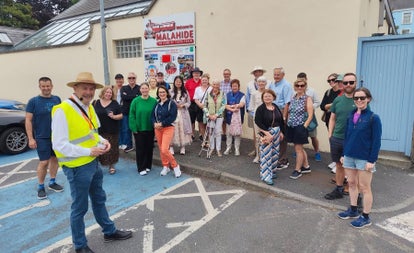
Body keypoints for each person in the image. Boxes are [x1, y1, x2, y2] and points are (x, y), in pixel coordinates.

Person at [51, 72, 132, 253]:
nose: (88, 92)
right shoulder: (63, 110)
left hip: (92, 162)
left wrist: (102, 141)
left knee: (99, 199)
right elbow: (59, 144)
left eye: (91, 89)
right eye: (84, 88)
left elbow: (91, 133)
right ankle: (80, 246)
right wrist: (89, 150)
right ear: (75, 88)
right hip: (76, 167)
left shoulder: (88, 107)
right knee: (79, 208)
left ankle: (109, 231)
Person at [337, 87, 381, 228]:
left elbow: (376, 141)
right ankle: (353, 210)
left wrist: (371, 160)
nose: (359, 100)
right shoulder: (351, 115)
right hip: (349, 156)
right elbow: (347, 137)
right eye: (356, 98)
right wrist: (344, 154)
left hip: (364, 158)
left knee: (364, 187)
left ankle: (366, 217)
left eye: (362, 98)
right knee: (351, 184)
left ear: (368, 99)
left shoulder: (373, 118)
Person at [25, 76, 63, 200]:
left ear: (52, 86)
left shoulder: (57, 99)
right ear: (40, 87)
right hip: (42, 137)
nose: (46, 88)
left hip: (56, 136)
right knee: (44, 162)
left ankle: (52, 182)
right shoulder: (33, 101)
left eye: (48, 86)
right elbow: (28, 120)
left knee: (55, 159)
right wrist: (31, 138)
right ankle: (41, 186)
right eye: (43, 86)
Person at [325, 73, 358, 200]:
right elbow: (332, 118)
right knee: (339, 165)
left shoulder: (359, 99)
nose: (348, 85)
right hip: (337, 138)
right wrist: (330, 135)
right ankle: (338, 189)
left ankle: (352, 190)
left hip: (353, 140)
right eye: (346, 83)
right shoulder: (338, 100)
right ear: (342, 84)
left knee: (351, 166)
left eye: (351, 82)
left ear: (355, 83)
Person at [284, 78, 313, 180]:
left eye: (302, 86)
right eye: (297, 86)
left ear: (305, 87)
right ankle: (306, 166)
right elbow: (289, 111)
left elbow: (310, 115)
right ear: (295, 87)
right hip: (291, 126)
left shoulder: (307, 99)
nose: (300, 87)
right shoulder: (293, 98)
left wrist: (304, 126)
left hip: (300, 126)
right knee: (299, 147)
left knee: (298, 149)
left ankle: (298, 170)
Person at [255, 89, 285, 185]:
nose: (267, 98)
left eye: (269, 96)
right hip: (265, 132)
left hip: (276, 132)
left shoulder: (275, 106)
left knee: (274, 153)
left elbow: (280, 120)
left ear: (273, 97)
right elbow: (258, 121)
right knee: (266, 154)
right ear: (263, 98)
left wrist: (281, 132)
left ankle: (272, 171)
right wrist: (267, 133)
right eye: (265, 96)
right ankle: (266, 176)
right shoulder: (260, 108)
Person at [152, 85, 181, 177]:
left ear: (167, 93)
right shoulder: (156, 104)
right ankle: (165, 166)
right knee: (161, 149)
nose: (162, 94)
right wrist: (154, 123)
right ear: (158, 94)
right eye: (160, 92)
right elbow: (152, 115)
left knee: (165, 149)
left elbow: (172, 117)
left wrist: (162, 123)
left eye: (163, 92)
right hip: (158, 129)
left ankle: (175, 166)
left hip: (168, 128)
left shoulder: (171, 103)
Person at [92, 86, 123, 175]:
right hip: (100, 131)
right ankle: (97, 166)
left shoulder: (114, 103)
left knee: (112, 149)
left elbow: (121, 115)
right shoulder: (95, 103)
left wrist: (114, 116)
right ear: (103, 93)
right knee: (100, 148)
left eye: (110, 93)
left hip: (112, 130)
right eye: (107, 92)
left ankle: (111, 166)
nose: (108, 94)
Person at [129, 83, 157, 176]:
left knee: (149, 148)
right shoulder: (135, 101)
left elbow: (156, 114)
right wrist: (134, 127)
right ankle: (141, 167)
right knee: (140, 149)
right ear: (140, 90)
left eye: (146, 88)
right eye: (142, 88)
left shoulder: (153, 101)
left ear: (149, 89)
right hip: (139, 129)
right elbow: (132, 115)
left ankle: (148, 165)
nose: (144, 90)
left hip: (150, 128)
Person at [268, 67, 293, 169]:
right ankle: (274, 158)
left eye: (278, 74)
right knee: (273, 134)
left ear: (283, 75)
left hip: (282, 111)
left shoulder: (286, 85)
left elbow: (287, 102)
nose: (276, 76)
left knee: (282, 137)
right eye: (275, 74)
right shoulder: (272, 84)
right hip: (272, 110)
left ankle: (282, 160)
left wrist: (284, 117)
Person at [320, 73, 343, 173]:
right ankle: (335, 160)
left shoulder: (342, 93)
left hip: (340, 120)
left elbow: (338, 106)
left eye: (333, 80)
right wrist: (332, 105)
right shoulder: (328, 92)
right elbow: (322, 106)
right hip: (329, 119)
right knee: (332, 140)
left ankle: (339, 164)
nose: (331, 82)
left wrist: (329, 106)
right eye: (329, 81)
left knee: (338, 141)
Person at [297, 72, 322, 161]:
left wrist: (310, 108)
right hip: (298, 116)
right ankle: (299, 151)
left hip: (309, 117)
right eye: (299, 80)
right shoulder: (295, 91)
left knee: (313, 136)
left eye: (303, 80)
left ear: (306, 80)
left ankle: (317, 152)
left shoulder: (312, 91)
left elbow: (317, 102)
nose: (301, 83)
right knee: (299, 135)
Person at [245, 66, 266, 157]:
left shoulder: (268, 83)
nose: (257, 73)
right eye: (256, 72)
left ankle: (264, 152)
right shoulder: (249, 84)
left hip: (265, 113)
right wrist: (249, 111)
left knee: (265, 132)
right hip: (253, 112)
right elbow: (248, 97)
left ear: (262, 73)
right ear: (254, 73)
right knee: (255, 132)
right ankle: (256, 150)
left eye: (259, 72)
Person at [203, 80, 226, 157]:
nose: (215, 86)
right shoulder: (208, 93)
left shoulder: (222, 94)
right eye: (214, 84)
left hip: (219, 117)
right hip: (210, 116)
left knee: (218, 132)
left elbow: (223, 105)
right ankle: (212, 148)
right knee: (211, 133)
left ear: (219, 86)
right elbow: (204, 105)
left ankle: (218, 149)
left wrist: (216, 115)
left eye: (217, 84)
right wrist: (208, 114)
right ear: (212, 85)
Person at [170, 76, 192, 155]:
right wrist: (173, 106)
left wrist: (183, 105)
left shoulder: (185, 92)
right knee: (173, 130)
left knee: (183, 129)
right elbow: (168, 102)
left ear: (182, 83)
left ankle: (183, 147)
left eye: (180, 81)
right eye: (177, 81)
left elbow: (189, 103)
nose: (178, 83)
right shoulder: (170, 92)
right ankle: (171, 146)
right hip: (173, 114)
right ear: (174, 82)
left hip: (183, 114)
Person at [120, 72, 141, 153]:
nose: (131, 79)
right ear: (127, 79)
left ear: (136, 79)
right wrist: (135, 96)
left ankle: (139, 145)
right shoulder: (123, 88)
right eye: (129, 78)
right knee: (126, 129)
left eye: (133, 78)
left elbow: (139, 98)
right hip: (126, 112)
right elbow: (123, 97)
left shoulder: (139, 87)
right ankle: (129, 145)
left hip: (136, 112)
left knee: (137, 129)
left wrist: (128, 96)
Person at [224, 79, 245, 156]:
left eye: (236, 86)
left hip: (238, 118)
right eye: (233, 86)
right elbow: (225, 104)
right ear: (231, 87)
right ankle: (228, 148)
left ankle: (237, 149)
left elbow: (242, 104)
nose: (234, 87)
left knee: (237, 134)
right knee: (228, 133)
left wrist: (233, 106)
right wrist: (231, 108)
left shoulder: (242, 95)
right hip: (229, 117)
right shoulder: (227, 94)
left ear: (238, 87)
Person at [185, 67, 203, 139]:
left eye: (198, 73)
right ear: (192, 74)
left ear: (200, 74)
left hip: (200, 103)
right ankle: (192, 134)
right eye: (195, 73)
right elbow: (185, 92)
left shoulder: (202, 81)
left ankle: (201, 134)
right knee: (191, 119)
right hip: (191, 103)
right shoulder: (188, 82)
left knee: (200, 120)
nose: (196, 74)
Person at [194, 73, 212, 142]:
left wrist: (207, 106)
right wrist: (200, 105)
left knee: (209, 125)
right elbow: (195, 99)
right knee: (201, 124)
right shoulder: (197, 89)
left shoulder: (211, 88)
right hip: (200, 108)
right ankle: (205, 140)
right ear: (201, 80)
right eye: (203, 80)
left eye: (206, 80)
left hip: (209, 109)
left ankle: (210, 140)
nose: (204, 81)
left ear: (208, 80)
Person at [220, 68, 232, 140]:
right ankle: (224, 134)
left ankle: (231, 134)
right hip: (222, 104)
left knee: (230, 120)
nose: (226, 75)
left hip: (230, 104)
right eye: (225, 74)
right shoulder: (221, 83)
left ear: (230, 74)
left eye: (227, 74)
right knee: (223, 120)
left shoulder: (233, 83)